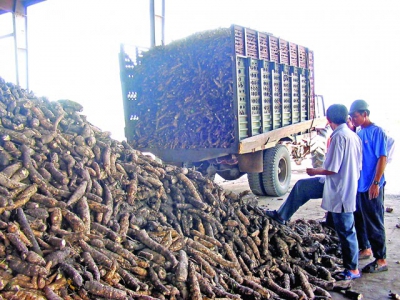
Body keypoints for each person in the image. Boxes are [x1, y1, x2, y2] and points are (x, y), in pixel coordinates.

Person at [349, 99, 389, 273]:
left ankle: (381, 260)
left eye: (356, 116)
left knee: (374, 221)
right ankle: (365, 248)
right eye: (351, 116)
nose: (354, 119)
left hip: (372, 185)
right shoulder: (358, 132)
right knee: (360, 219)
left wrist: (376, 182)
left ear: (365, 114)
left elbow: (382, 158)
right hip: (359, 185)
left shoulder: (377, 132)